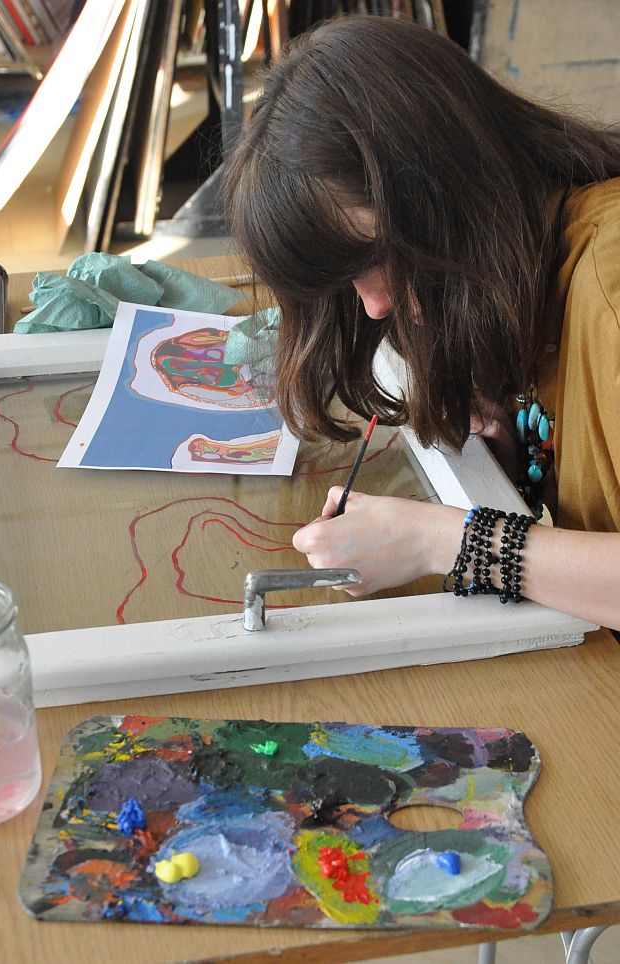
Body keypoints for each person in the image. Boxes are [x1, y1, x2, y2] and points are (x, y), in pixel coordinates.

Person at [225, 14, 620, 631]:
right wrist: (520, 453)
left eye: (374, 260)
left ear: (450, 187)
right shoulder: (537, 267)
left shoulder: (610, 279)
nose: (373, 306)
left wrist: (443, 541)